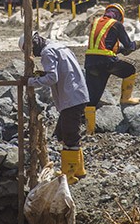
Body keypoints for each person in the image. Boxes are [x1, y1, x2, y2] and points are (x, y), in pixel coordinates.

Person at [21, 33, 90, 184]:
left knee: (69, 134)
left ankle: (69, 174)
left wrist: (31, 81)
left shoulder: (47, 52)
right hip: (78, 93)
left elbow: (53, 77)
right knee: (66, 132)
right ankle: (78, 169)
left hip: (70, 97)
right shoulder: (59, 46)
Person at [84, 3, 140, 135]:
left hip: (91, 62)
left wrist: (122, 50)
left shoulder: (96, 21)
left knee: (92, 99)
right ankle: (125, 99)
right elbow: (129, 45)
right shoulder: (116, 24)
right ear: (120, 15)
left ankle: (89, 131)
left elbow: (105, 45)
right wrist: (134, 45)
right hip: (107, 61)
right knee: (130, 70)